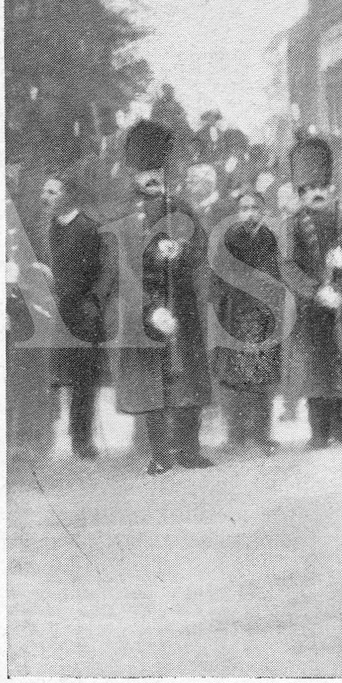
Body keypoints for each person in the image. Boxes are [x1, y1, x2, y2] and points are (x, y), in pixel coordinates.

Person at [97, 118, 216, 475]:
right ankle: (160, 453)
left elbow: (200, 251)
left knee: (186, 377)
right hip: (141, 304)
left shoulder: (180, 207)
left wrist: (179, 249)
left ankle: (189, 450)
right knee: (151, 379)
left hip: (180, 302)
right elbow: (117, 265)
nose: (152, 177)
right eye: (145, 171)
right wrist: (148, 304)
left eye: (158, 169)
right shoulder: (121, 212)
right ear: (134, 174)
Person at [281, 136, 342, 450]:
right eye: (310, 188)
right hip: (310, 310)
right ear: (301, 193)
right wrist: (316, 292)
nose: (317, 193)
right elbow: (287, 267)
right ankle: (319, 431)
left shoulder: (341, 220)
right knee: (316, 369)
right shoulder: (293, 225)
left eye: (322, 186)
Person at [209, 188, 284, 454]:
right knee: (235, 376)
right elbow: (217, 275)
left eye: (255, 208)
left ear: (263, 212)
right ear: (237, 212)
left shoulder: (268, 237)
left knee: (261, 375)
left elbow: (274, 274)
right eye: (244, 208)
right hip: (235, 315)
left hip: (262, 316)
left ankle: (262, 434)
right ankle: (236, 435)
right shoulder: (228, 237)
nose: (249, 213)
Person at [40, 171, 106, 458]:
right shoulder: (50, 227)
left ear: (69, 196)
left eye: (52, 193)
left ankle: (82, 440)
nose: (45, 198)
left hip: (83, 315)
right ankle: (47, 438)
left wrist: (91, 309)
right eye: (45, 192)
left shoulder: (90, 228)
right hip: (55, 314)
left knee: (83, 380)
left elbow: (102, 275)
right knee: (55, 376)